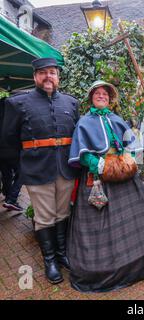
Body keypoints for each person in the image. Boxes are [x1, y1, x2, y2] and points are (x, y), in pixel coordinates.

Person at [67, 80, 144, 293]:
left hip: (124, 176)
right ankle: (102, 268)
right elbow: (82, 155)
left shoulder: (117, 119)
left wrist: (127, 160)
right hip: (98, 177)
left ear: (110, 99)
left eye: (105, 94)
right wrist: (99, 164)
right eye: (97, 93)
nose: (102, 96)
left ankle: (135, 260)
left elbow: (131, 144)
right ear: (91, 97)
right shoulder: (84, 123)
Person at [2, 58, 80, 284]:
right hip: (37, 169)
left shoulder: (71, 103)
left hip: (65, 168)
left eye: (52, 73)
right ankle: (50, 260)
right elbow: (8, 139)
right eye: (43, 72)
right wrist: (24, 164)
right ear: (35, 76)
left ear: (58, 77)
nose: (48, 77)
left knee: (62, 213)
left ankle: (62, 253)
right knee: (45, 217)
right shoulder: (17, 103)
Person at [0, 97, 23, 211]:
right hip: (13, 150)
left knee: (6, 174)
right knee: (22, 172)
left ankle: (8, 195)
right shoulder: (14, 111)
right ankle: (11, 199)